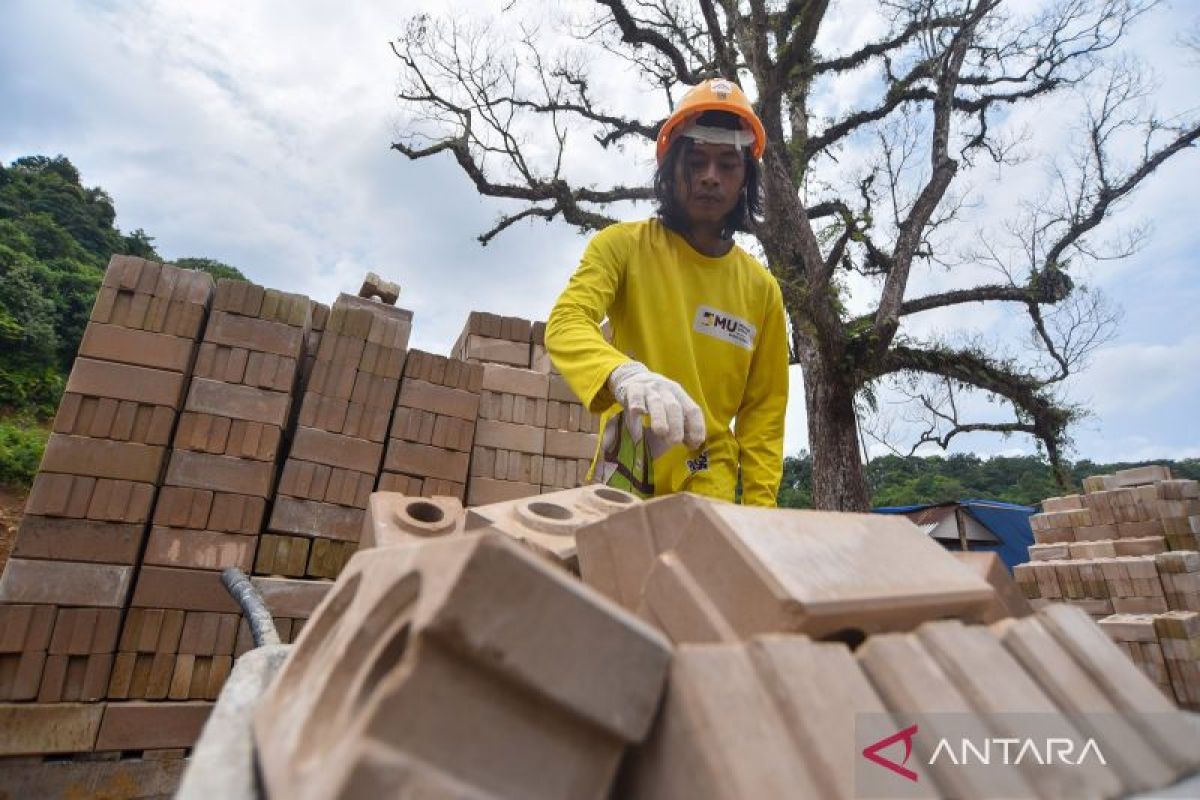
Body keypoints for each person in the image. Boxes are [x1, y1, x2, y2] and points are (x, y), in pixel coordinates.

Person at [545, 78, 789, 506]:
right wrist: (624, 375)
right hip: (624, 474)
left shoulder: (762, 290)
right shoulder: (621, 247)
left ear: (745, 179)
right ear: (670, 166)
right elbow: (566, 324)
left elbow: (763, 417)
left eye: (727, 165)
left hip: (707, 484)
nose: (710, 177)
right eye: (696, 161)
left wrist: (761, 513)